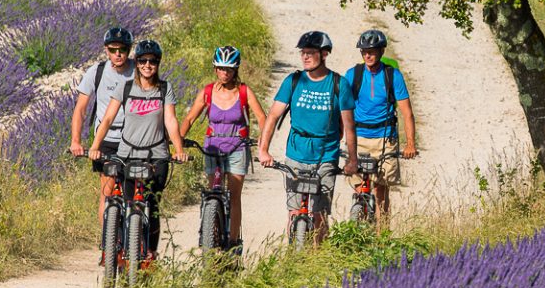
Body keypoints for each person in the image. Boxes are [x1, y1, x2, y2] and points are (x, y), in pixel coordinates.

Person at [88, 39, 186, 263]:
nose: (147, 65)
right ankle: (119, 249)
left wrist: (178, 149)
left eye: (152, 61)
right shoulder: (126, 88)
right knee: (128, 202)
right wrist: (95, 146)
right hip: (128, 154)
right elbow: (108, 118)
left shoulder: (165, 89)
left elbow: (170, 120)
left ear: (158, 63)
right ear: (137, 62)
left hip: (156, 155)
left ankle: (150, 253)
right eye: (142, 61)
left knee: (151, 203)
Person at [257, 30, 358, 243]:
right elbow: (273, 116)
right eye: (303, 52)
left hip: (326, 156)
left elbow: (349, 126)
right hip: (295, 154)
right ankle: (293, 256)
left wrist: (352, 159)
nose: (305, 57)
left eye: (310, 52)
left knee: (319, 214)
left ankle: (318, 258)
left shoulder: (339, 84)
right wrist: (263, 150)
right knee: (294, 212)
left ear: (324, 54)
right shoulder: (293, 81)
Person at [177, 45, 268, 253]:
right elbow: (190, 117)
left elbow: (262, 118)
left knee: (234, 196)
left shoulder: (244, 91)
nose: (224, 73)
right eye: (220, 68)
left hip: (237, 147)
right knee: (213, 192)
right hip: (212, 147)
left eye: (228, 69)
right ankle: (212, 231)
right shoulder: (207, 92)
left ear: (235, 70)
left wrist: (263, 143)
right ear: (215, 68)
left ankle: (234, 243)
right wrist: (179, 142)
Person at [70, 26, 138, 260]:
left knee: (133, 194)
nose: (118, 54)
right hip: (105, 140)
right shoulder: (96, 72)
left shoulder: (138, 71)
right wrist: (76, 141)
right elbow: (80, 109)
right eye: (113, 50)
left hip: (134, 140)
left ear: (130, 50)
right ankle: (107, 246)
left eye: (123, 50)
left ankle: (135, 241)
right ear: (106, 50)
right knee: (107, 193)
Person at [346, 29, 417, 233]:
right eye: (364, 51)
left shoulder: (392, 75)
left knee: (381, 191)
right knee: (360, 188)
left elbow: (407, 112)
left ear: (381, 51)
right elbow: (342, 108)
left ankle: (382, 237)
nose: (367, 55)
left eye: (372, 51)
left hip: (385, 138)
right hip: (359, 137)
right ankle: (358, 233)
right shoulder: (353, 75)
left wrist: (410, 143)